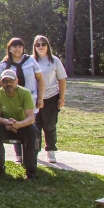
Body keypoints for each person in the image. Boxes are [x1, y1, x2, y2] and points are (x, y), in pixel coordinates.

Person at [0, 37, 44, 164]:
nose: (17, 49)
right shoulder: (4, 65)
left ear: (23, 48)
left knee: (31, 126)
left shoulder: (31, 61)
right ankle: (19, 155)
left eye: (20, 46)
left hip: (29, 98)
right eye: (14, 46)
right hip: (10, 100)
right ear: (9, 49)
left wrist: (40, 97)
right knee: (13, 121)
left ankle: (32, 155)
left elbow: (40, 79)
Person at [0, 70, 39, 179]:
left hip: (22, 126)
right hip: (4, 126)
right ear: (1, 83)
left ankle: (30, 170)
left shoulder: (25, 93)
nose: (8, 84)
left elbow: (31, 118)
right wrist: (6, 122)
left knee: (33, 130)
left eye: (11, 81)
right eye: (5, 81)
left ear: (17, 81)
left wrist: (18, 125)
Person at [32, 35, 67, 163]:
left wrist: (61, 98)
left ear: (48, 46)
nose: (41, 47)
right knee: (35, 126)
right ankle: (34, 151)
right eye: (38, 44)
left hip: (51, 97)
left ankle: (50, 151)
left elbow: (62, 80)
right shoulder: (31, 61)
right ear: (34, 47)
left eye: (43, 44)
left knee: (50, 125)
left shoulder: (54, 61)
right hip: (35, 98)